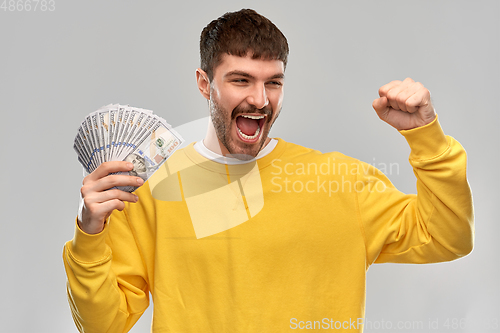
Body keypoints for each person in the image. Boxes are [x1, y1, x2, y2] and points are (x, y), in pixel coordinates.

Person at [63, 9, 474, 333]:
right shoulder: (151, 190)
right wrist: (89, 232)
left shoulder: (341, 181)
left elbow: (447, 237)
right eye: (241, 80)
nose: (259, 99)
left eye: (273, 83)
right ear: (205, 84)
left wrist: (426, 137)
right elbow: (104, 325)